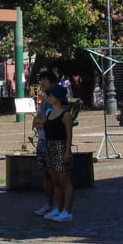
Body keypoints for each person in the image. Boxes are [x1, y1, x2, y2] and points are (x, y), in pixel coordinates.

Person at [42, 84, 74, 222]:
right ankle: (59, 207)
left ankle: (67, 210)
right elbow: (40, 123)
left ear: (59, 98)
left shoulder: (66, 115)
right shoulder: (49, 112)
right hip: (50, 147)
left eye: (51, 95)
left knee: (64, 180)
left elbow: (69, 135)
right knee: (55, 180)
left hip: (60, 147)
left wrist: (67, 151)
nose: (49, 98)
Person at [31, 69, 59, 216]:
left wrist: (40, 122)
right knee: (46, 175)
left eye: (45, 80)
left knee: (55, 175)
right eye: (41, 80)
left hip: (52, 141)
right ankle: (49, 203)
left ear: (52, 83)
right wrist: (39, 122)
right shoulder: (44, 101)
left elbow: (45, 122)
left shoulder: (56, 100)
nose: (42, 83)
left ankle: (59, 206)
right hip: (42, 140)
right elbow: (37, 120)